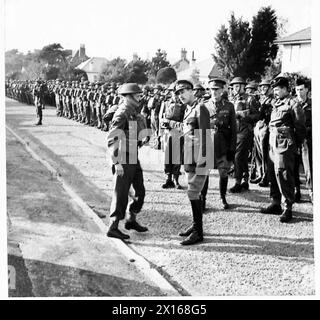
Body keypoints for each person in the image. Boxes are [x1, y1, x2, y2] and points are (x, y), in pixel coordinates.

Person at [260, 76, 306, 223]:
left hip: (285, 144)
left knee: (284, 173)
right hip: (273, 143)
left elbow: (300, 126)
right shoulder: (276, 103)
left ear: (286, 89)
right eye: (274, 89)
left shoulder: (293, 104)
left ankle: (288, 207)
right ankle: (275, 203)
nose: (275, 92)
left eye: (278, 89)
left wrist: (295, 145)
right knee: (273, 173)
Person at [106, 83, 149, 240]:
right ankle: (113, 226)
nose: (139, 98)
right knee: (121, 193)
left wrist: (140, 141)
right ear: (128, 97)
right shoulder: (122, 112)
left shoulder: (132, 111)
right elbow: (112, 138)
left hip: (132, 154)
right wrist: (116, 163)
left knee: (140, 191)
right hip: (122, 158)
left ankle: (131, 220)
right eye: (137, 95)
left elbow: (130, 133)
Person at [175, 80, 212, 245]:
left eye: (183, 91)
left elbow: (205, 136)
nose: (180, 95)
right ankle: (195, 225)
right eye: (178, 93)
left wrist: (203, 160)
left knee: (193, 192)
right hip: (189, 155)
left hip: (199, 157)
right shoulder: (188, 109)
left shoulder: (200, 108)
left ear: (192, 91)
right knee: (192, 192)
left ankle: (198, 232)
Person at [203, 78, 237, 210]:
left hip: (223, 145)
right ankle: (203, 199)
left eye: (217, 89)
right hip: (208, 144)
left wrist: (232, 149)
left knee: (223, 172)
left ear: (222, 90)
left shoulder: (229, 106)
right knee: (204, 172)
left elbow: (234, 130)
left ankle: (222, 197)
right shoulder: (204, 105)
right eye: (212, 89)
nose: (214, 92)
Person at [229, 77, 260, 193]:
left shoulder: (250, 99)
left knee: (238, 156)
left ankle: (237, 182)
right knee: (240, 157)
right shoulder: (232, 99)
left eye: (238, 86)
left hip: (245, 130)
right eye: (234, 86)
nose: (236, 88)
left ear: (243, 86)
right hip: (234, 131)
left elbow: (257, 115)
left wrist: (244, 116)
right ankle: (245, 180)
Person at [160, 82, 186, 189]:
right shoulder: (165, 103)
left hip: (178, 133)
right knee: (167, 156)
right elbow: (160, 118)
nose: (176, 95)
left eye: (178, 93)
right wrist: (160, 134)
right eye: (174, 93)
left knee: (176, 156)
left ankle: (176, 179)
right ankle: (168, 178)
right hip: (167, 133)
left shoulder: (184, 106)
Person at [250, 79, 273, 187]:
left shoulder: (272, 100)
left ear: (270, 88)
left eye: (265, 87)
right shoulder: (262, 99)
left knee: (265, 154)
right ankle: (260, 174)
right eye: (262, 87)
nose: (263, 89)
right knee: (257, 153)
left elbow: (268, 115)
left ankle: (266, 176)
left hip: (266, 128)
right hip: (259, 128)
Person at [295, 78, 312, 203]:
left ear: (306, 90)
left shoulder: (313, 104)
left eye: (301, 89)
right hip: (294, 140)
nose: (299, 92)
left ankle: (312, 191)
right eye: (297, 90)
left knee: (309, 167)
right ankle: (297, 191)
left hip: (307, 140)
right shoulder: (292, 104)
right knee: (294, 166)